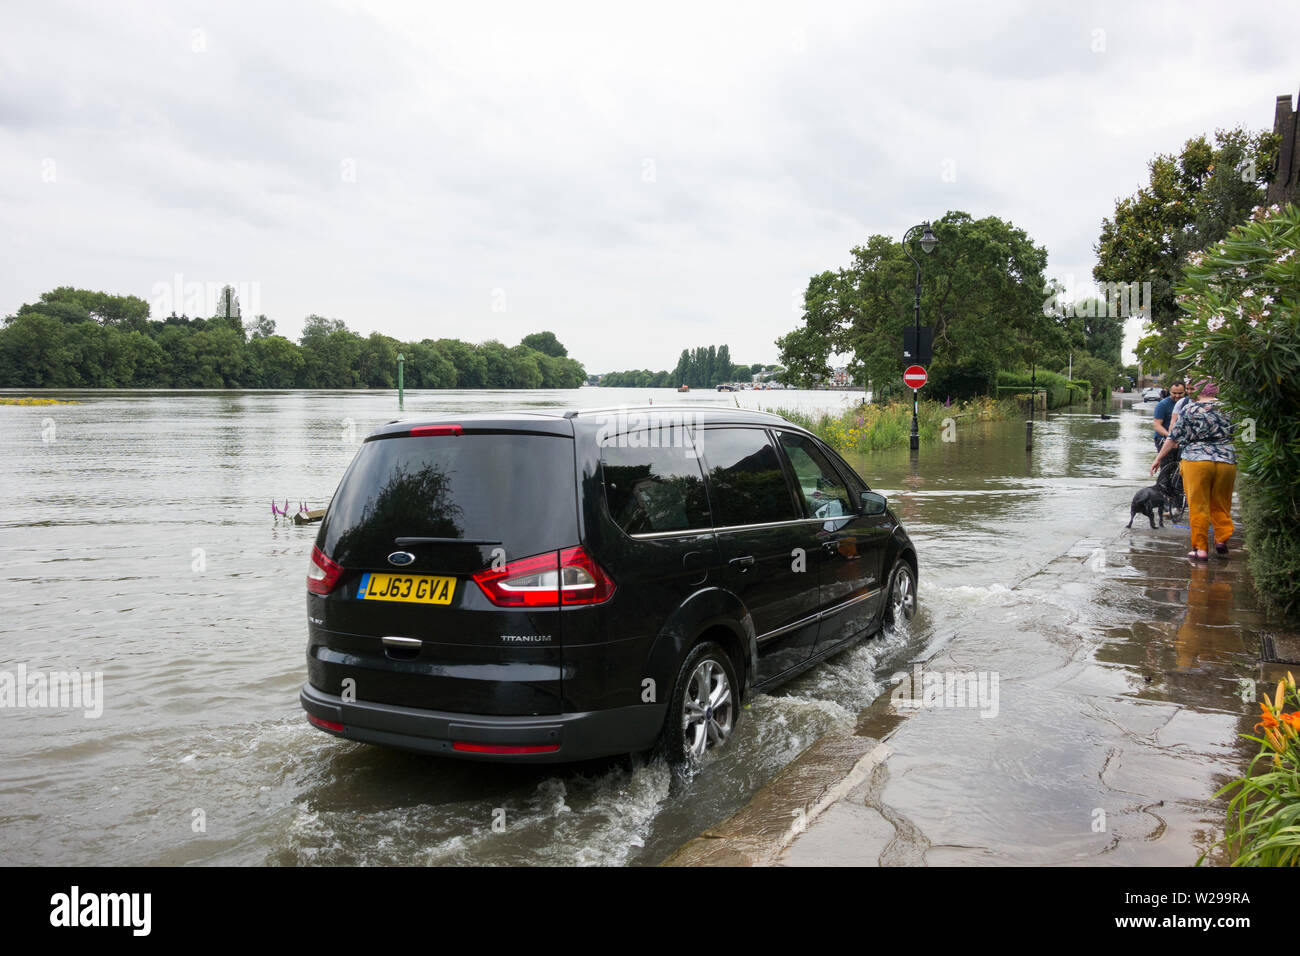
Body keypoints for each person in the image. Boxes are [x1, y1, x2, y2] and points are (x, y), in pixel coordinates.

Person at [1150, 380, 1235, 560]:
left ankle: (1201, 548)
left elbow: (1173, 438)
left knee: (1198, 505)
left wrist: (1158, 458)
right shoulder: (1231, 409)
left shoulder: (1189, 409)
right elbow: (1247, 435)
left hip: (1196, 461)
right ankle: (1221, 540)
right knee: (1222, 502)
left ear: (1197, 391)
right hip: (1226, 461)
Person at [1151, 382, 1184, 450]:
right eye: (1174, 393)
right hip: (1163, 439)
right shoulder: (1162, 405)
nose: (1177, 396)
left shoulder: (1188, 402)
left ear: (1185, 391)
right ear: (1169, 392)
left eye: (1180, 393)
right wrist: (1170, 437)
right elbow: (1157, 425)